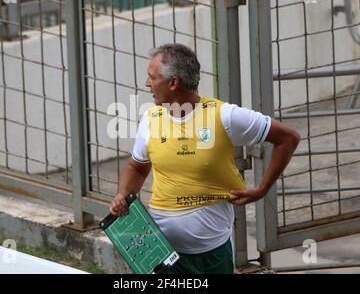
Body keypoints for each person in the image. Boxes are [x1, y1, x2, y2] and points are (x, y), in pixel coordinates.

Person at [109, 43, 300, 274]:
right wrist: (122, 195)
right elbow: (136, 168)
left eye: (152, 77)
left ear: (173, 83)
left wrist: (262, 189)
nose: (147, 83)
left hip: (213, 254)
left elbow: (288, 138)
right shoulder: (150, 119)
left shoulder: (225, 116)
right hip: (162, 254)